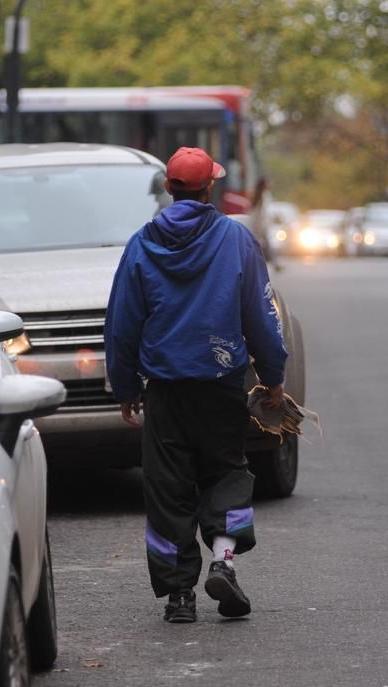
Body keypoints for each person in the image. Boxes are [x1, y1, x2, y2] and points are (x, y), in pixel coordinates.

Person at [104, 147, 288, 623]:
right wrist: (272, 377)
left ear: (169, 188)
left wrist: (126, 386)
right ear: (210, 188)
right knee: (226, 472)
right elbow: (262, 316)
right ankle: (222, 562)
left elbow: (123, 324)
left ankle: (179, 595)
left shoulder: (141, 244)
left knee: (168, 488)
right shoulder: (235, 239)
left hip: (165, 389)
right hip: (222, 383)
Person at [248, 177, 275, 266]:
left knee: (264, 243)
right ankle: (273, 262)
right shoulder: (261, 195)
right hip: (259, 223)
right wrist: (260, 225)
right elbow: (259, 212)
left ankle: (273, 262)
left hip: (262, 223)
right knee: (261, 243)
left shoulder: (263, 194)